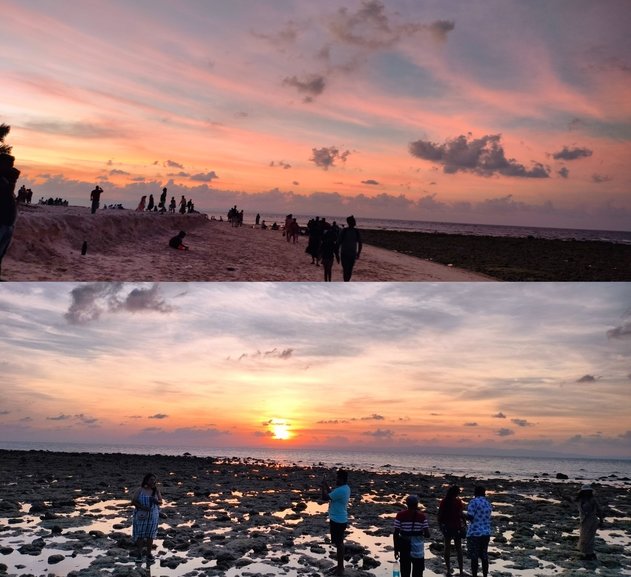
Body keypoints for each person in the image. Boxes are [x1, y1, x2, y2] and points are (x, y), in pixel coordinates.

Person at [321, 469, 350, 576]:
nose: (336, 480)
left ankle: (341, 568)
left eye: (337, 478)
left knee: (339, 544)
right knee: (339, 543)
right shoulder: (345, 488)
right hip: (340, 519)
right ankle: (339, 566)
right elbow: (331, 494)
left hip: (338, 520)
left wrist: (322, 487)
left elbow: (325, 497)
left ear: (341, 479)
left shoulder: (341, 490)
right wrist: (326, 484)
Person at [394, 495, 430, 577]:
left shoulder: (400, 515)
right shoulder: (422, 517)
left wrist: (396, 550)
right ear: (417, 504)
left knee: (405, 572)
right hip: (418, 549)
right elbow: (427, 534)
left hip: (404, 548)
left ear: (406, 504)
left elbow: (396, 533)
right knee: (417, 573)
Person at [131, 472, 162, 563]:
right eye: (151, 479)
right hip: (141, 516)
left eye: (154, 480)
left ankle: (149, 554)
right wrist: (143, 507)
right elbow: (133, 501)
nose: (153, 481)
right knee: (140, 535)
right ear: (146, 480)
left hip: (153, 516)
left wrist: (156, 501)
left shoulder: (156, 491)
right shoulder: (140, 490)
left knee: (150, 535)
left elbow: (161, 502)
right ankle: (139, 554)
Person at [438, 485, 466, 576]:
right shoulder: (458, 502)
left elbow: (440, 514)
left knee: (447, 548)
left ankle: (448, 570)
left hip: (447, 527)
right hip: (457, 526)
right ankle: (461, 571)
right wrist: (464, 524)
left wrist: (440, 525)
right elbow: (461, 514)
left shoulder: (444, 501)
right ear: (456, 492)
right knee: (459, 549)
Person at [0, 153, 19, 280]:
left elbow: (9, 195)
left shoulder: (5, 180)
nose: (11, 168)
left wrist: (12, 181)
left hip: (7, 222)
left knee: (1, 254)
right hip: (1, 222)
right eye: (8, 165)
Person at [466, 485, 492, 577]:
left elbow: (470, 516)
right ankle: (485, 575)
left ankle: (474, 575)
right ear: (484, 493)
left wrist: (461, 515)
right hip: (486, 532)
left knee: (474, 557)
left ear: (475, 493)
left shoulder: (473, 502)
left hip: (475, 533)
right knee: (484, 556)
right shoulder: (487, 503)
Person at [576, 484, 604, 560]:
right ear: (582, 492)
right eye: (585, 491)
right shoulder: (580, 500)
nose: (586, 493)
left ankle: (589, 554)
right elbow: (571, 500)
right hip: (584, 521)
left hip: (592, 521)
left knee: (589, 538)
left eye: (588, 491)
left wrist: (601, 521)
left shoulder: (593, 500)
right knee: (583, 537)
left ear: (590, 492)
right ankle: (587, 553)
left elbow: (600, 510)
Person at [338, 215, 362, 281]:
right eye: (354, 221)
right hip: (344, 254)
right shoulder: (344, 231)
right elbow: (339, 242)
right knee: (345, 270)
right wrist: (337, 253)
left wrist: (358, 253)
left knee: (350, 270)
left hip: (352, 254)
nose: (355, 222)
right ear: (350, 222)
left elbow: (360, 243)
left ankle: (347, 281)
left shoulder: (356, 231)